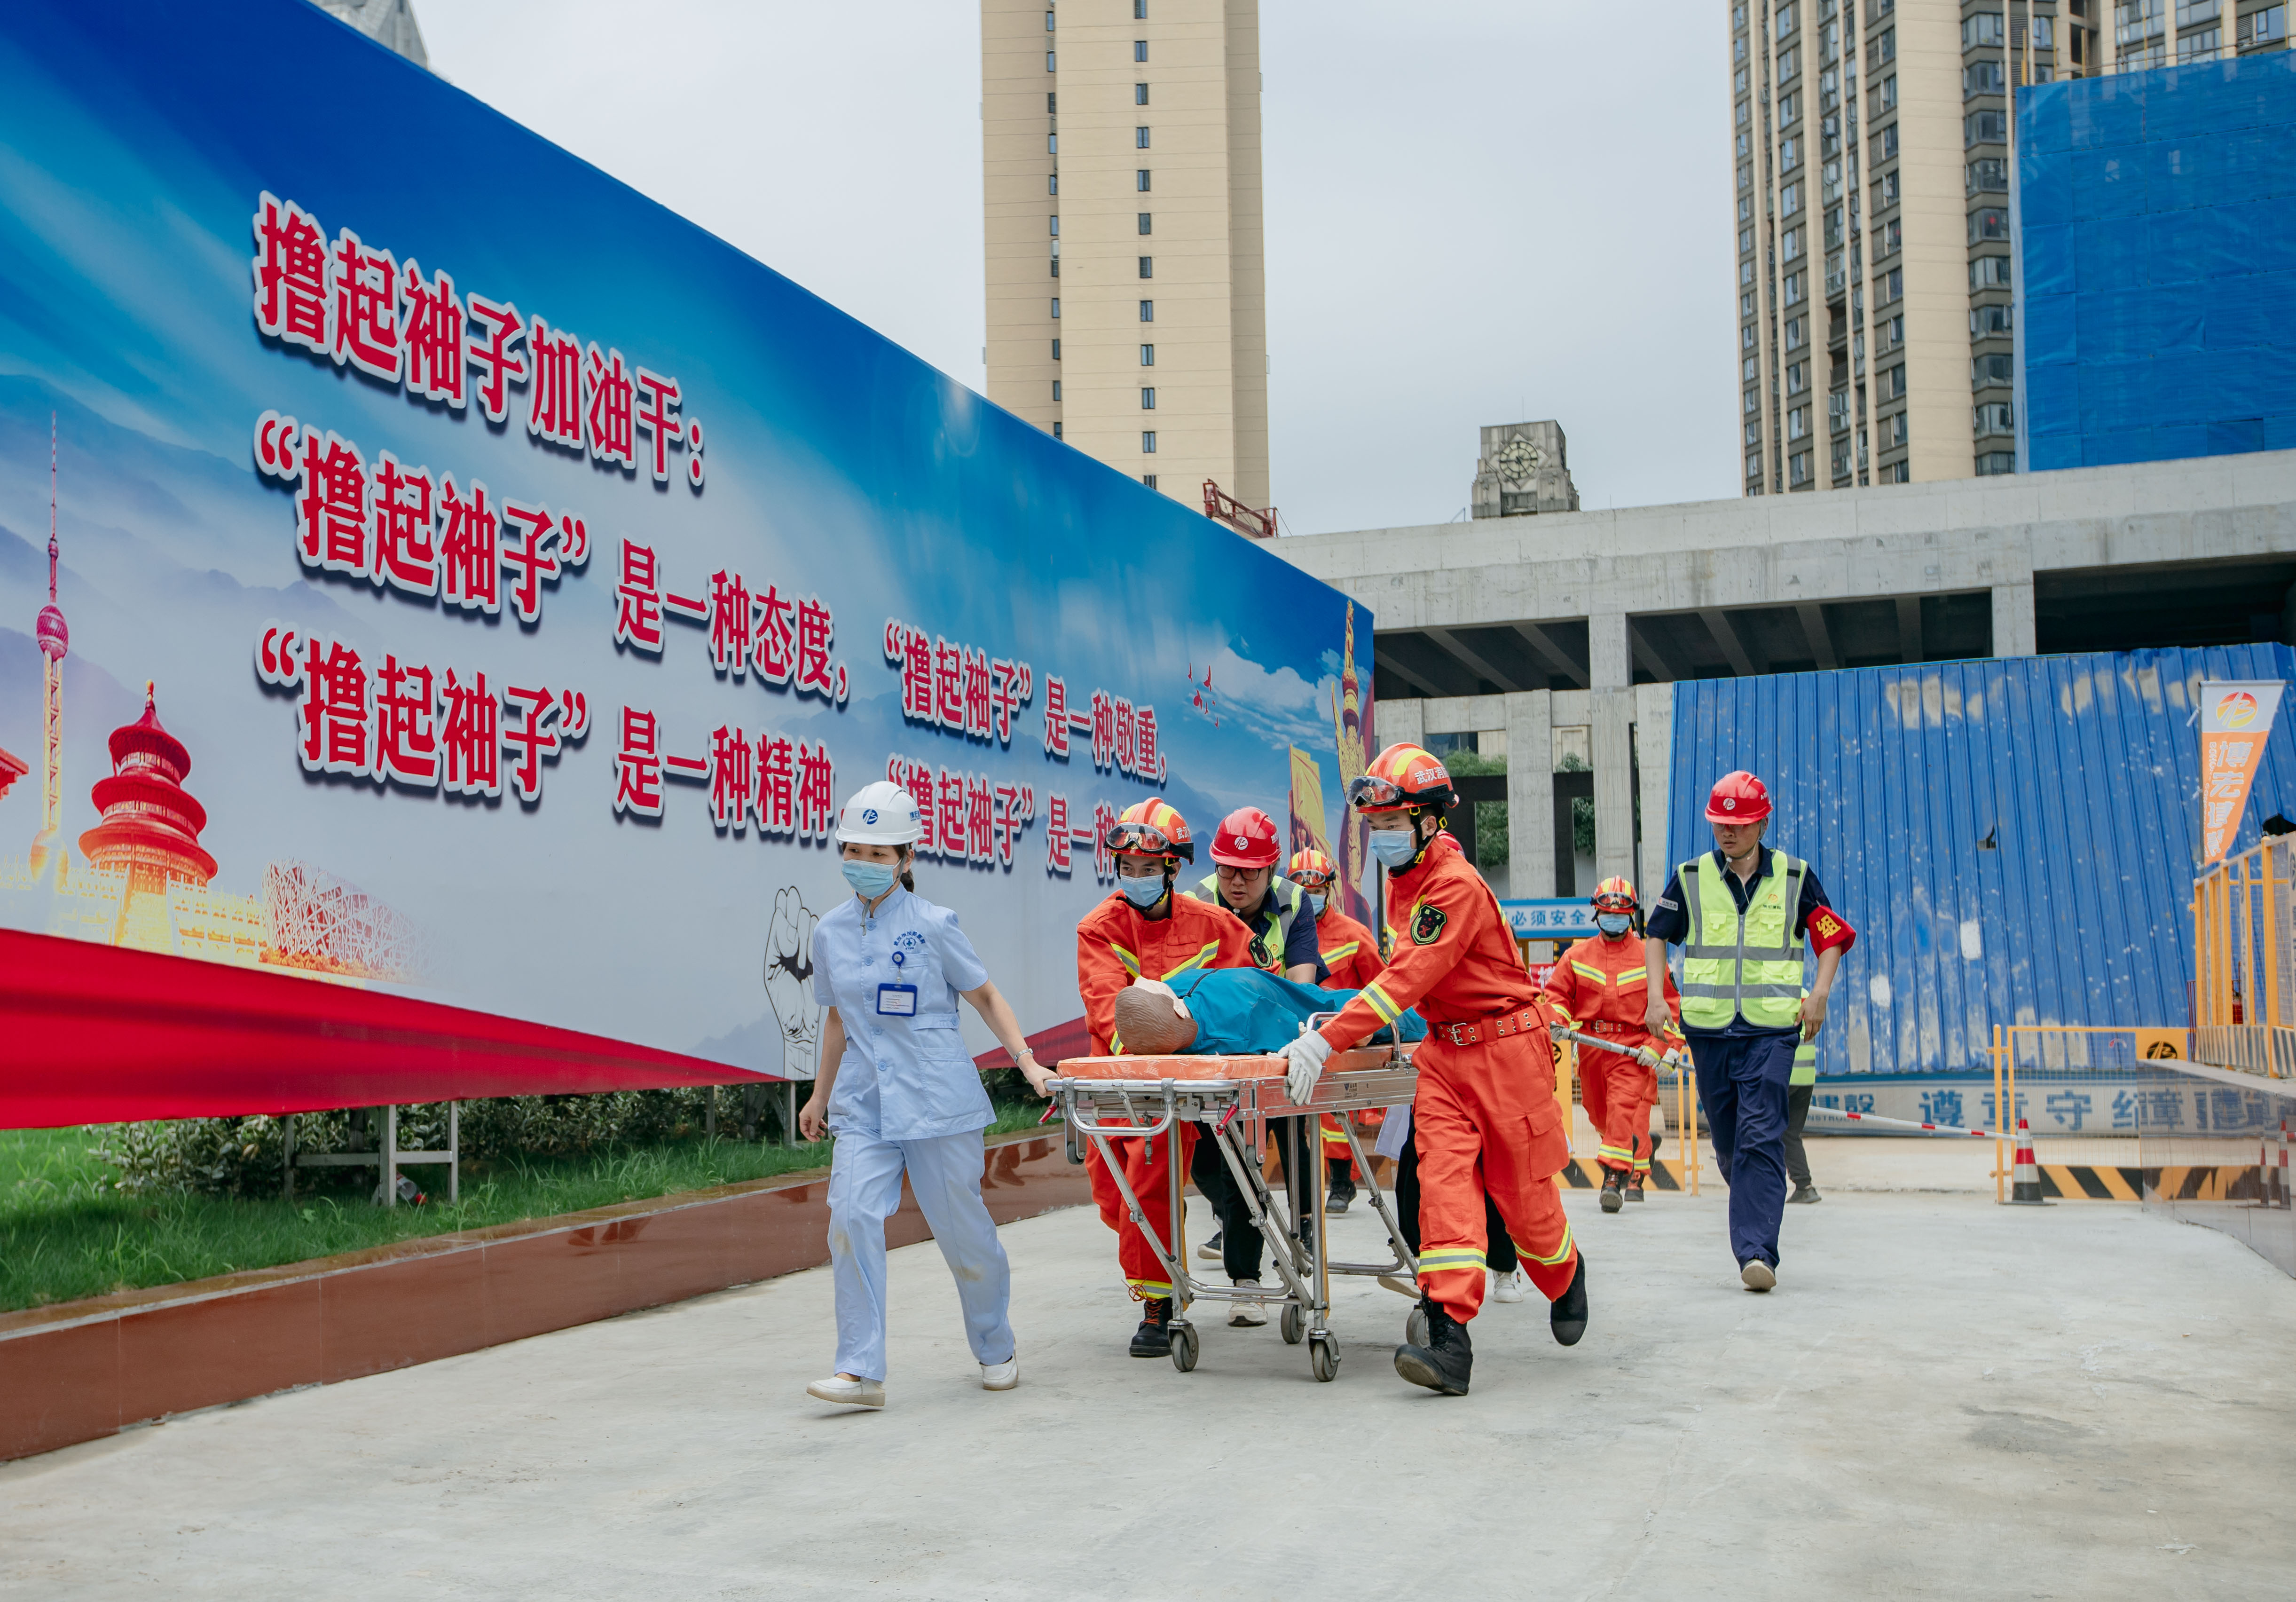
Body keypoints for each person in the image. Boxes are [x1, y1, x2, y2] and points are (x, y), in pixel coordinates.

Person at [1279, 743, 1589, 1396]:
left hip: (1507, 1053)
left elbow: (1407, 979)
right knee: (1442, 1185)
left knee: (1524, 1205)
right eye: (1376, 825)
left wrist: (1326, 1040)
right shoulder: (1406, 880)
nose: (1382, 837)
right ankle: (1450, 1339)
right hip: (1446, 1056)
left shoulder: (1454, 885)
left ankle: (1565, 1273)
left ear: (1429, 820)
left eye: (1393, 823)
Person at [798, 781, 1056, 1410]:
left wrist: (1026, 1061)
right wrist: (818, 1096)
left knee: (964, 1234)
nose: (863, 861)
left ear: (905, 857)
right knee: (850, 1218)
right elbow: (836, 1017)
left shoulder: (935, 925)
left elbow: (985, 995)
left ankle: (995, 1343)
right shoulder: (830, 931)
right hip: (864, 1104)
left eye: (878, 853)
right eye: (853, 849)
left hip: (938, 1101)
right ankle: (860, 1369)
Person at [1642, 772, 1856, 1292]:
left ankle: (1757, 1253)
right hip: (1709, 1032)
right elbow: (1656, 935)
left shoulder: (1795, 876)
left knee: (1761, 1134)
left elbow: (1831, 936)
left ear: (1762, 823)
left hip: (1772, 1031)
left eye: (1739, 824)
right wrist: (1655, 996)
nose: (1728, 832)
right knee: (1730, 1143)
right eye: (1720, 823)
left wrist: (1820, 993)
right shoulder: (1690, 877)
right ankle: (1755, 1203)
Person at [1075, 798, 1259, 1356]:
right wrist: (1148, 1045)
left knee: (1149, 1176)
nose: (1137, 877)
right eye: (1127, 867)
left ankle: (1160, 1305)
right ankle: (1160, 1243)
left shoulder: (1216, 926)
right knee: (1115, 1197)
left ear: (1173, 868)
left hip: (1192, 1082)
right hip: (1120, 1080)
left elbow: (1248, 988)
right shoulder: (1099, 929)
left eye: (1148, 868)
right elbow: (1106, 1008)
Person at [1184, 807, 1323, 1281]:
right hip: (1215, 1046)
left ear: (1272, 868)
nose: (1237, 882)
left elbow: (1301, 987)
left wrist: (1289, 1041)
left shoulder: (1294, 901)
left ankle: (1292, 1238)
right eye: (1227, 869)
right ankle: (1237, 1218)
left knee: (1288, 1136)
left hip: (1277, 1040)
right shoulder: (1196, 902)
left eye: (1250, 872)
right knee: (1211, 1162)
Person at [1542, 876, 1683, 1215]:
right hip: (1592, 1047)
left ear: (1631, 916)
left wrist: (1661, 1047)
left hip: (1634, 1049)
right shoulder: (1576, 956)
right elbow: (1557, 995)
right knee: (1601, 1115)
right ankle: (1631, 1149)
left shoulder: (1649, 957)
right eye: (1607, 914)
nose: (1614, 919)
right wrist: (1557, 1021)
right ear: (1597, 914)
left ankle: (1614, 1179)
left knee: (1624, 1109)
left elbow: (1670, 1006)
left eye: (1620, 915)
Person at [1290, 847, 1384, 1214]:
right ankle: (1302, 1196)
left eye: (1316, 890)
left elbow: (1382, 986)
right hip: (1295, 1034)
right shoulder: (1285, 931)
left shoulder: (1354, 934)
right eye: (1303, 890)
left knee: (1333, 1113)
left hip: (1342, 1040)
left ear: (1328, 889)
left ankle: (1342, 1181)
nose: (1310, 896)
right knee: (1288, 1114)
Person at [1785, 994, 1821, 1203]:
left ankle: (1768, 1186)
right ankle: (1804, 1186)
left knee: (1766, 1131)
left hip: (1784, 1075)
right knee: (1790, 1133)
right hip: (1806, 1077)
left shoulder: (1778, 993)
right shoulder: (1808, 995)